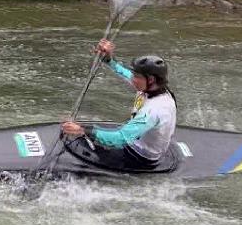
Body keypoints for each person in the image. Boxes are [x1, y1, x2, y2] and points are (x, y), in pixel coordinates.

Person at [61, 39, 177, 171]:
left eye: (136, 76)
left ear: (150, 79)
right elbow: (125, 73)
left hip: (139, 156)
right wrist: (107, 59)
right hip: (136, 140)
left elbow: (120, 139)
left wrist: (82, 130)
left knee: (84, 143)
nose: (132, 78)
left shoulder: (155, 110)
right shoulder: (153, 88)